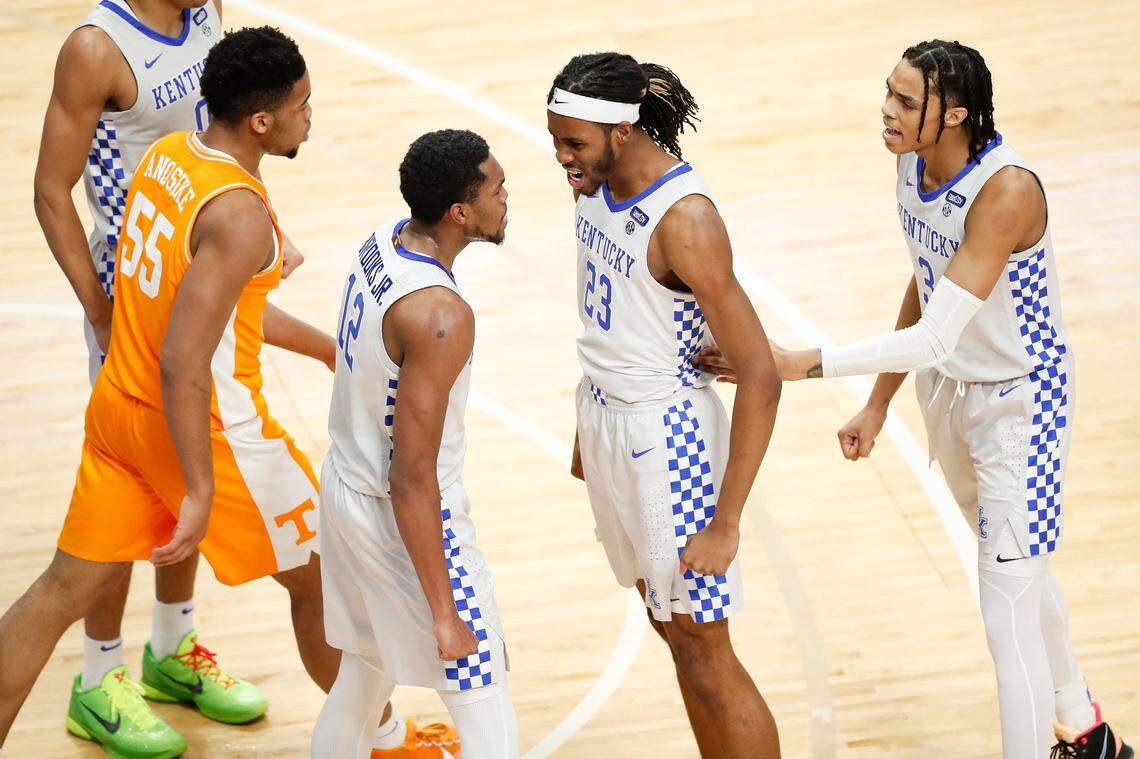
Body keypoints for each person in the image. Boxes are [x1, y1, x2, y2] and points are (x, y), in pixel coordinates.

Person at [696, 39, 1133, 759]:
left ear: (955, 112)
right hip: (951, 391)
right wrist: (879, 402)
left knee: (1005, 610)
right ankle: (1085, 724)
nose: (887, 112)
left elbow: (935, 332)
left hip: (1021, 406)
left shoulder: (1007, 192)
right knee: (1019, 575)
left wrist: (803, 362)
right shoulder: (912, 165)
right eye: (888, 94)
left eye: (906, 101)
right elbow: (932, 281)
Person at [2, 25, 338, 756]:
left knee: (55, 594)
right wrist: (198, 487)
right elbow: (187, 361)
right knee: (324, 578)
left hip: (118, 405)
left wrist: (325, 348)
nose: (311, 116)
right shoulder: (241, 214)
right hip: (198, 422)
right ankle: (378, 735)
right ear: (261, 121)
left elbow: (209, 308)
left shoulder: (165, 155)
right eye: (302, 104)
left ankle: (158, 657)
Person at [547, 52, 783, 758]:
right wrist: (586, 433)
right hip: (611, 417)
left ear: (623, 132)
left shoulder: (686, 220)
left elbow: (761, 374)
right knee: (671, 630)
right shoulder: (594, 183)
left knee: (705, 645)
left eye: (573, 142)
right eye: (556, 138)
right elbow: (613, 314)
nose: (561, 156)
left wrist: (727, 521)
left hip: (669, 436)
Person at [313, 129, 515, 759]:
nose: (507, 198)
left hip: (344, 488)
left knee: (362, 675)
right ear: (460, 212)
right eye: (496, 189)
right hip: (404, 515)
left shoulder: (382, 243)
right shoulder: (439, 315)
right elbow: (412, 478)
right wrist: (444, 611)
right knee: (482, 694)